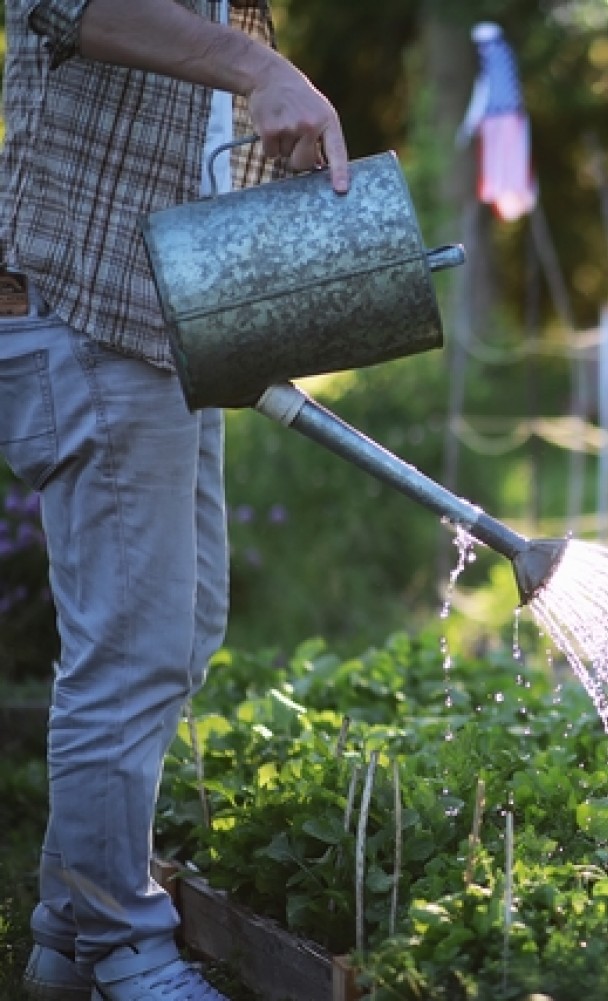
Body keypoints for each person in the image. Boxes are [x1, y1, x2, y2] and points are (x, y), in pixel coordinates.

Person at [0, 1, 348, 998]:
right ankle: (126, 947)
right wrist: (259, 68)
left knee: (180, 630)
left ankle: (67, 934)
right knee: (131, 650)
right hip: (88, 305)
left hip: (168, 317)